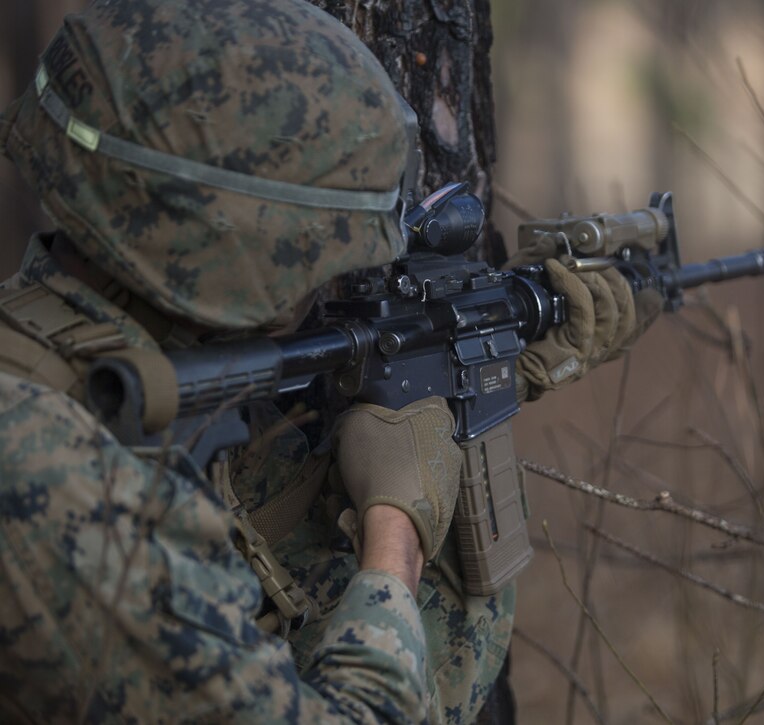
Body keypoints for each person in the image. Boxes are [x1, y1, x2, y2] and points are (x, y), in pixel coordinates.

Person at [0, 0, 659, 722]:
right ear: (222, 250)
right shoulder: (49, 476)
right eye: (317, 258)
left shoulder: (52, 350)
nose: (328, 286)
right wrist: (395, 539)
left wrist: (486, 371)